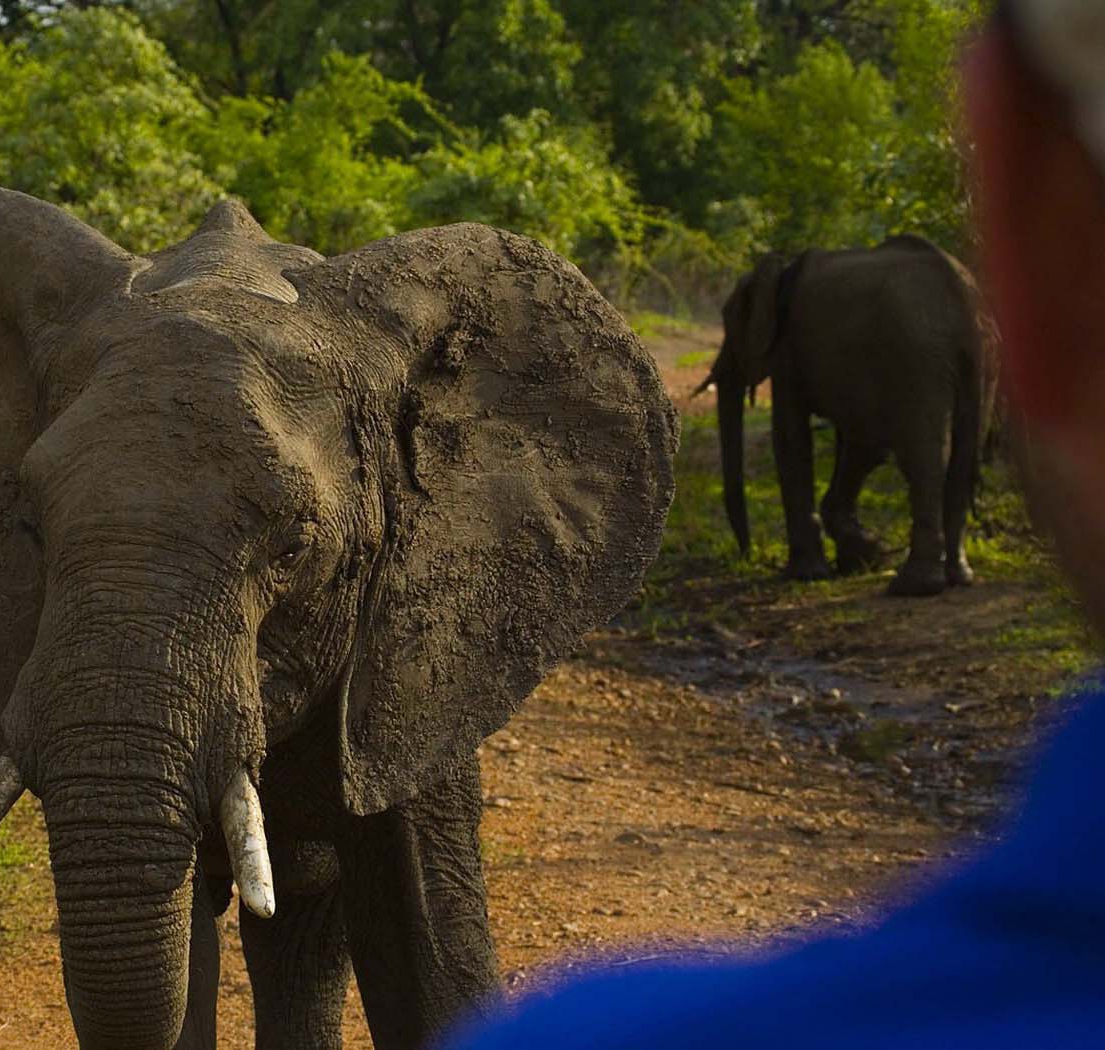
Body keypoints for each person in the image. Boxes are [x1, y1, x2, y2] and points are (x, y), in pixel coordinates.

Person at [452, 3, 1105, 1047]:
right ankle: (944, 548)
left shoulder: (598, 1035)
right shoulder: (896, 288)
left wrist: (798, 538)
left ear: (1031, 254)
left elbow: (802, 454)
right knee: (918, 449)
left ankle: (911, 550)